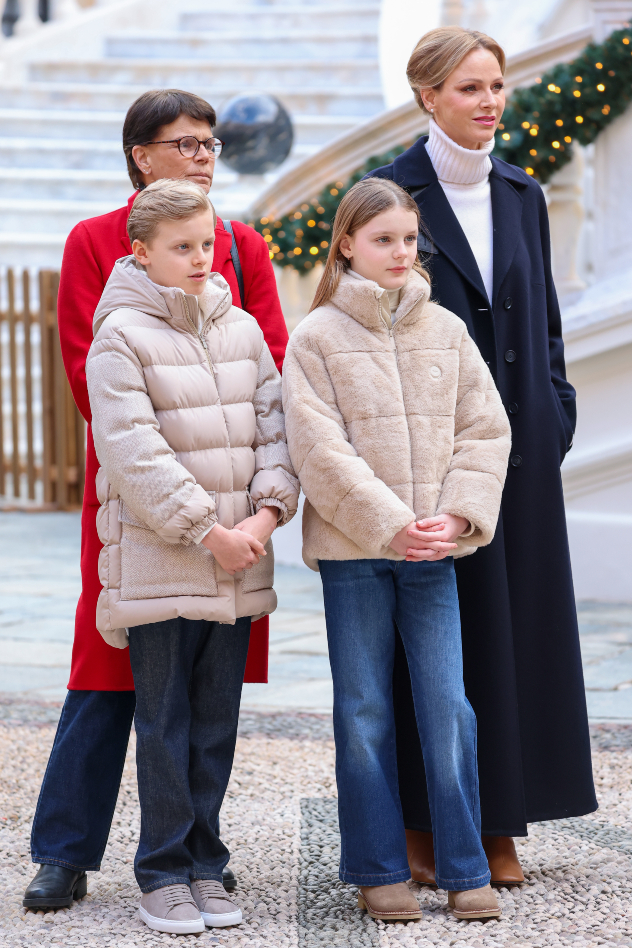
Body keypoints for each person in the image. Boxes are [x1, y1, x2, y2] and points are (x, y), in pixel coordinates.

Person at [24, 89, 289, 911]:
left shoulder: (241, 245)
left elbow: (270, 360)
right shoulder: (95, 241)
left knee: (207, 693)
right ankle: (66, 851)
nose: (205, 155)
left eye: (211, 143)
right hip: (139, 506)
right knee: (104, 673)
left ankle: (194, 850)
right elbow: (86, 370)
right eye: (185, 144)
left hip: (233, 506)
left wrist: (243, 506)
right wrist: (178, 499)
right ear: (141, 155)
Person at [366, 26, 597, 884]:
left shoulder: (522, 192)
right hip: (429, 451)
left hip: (524, 453)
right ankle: (427, 823)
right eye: (469, 88)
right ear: (428, 95)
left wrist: (555, 413)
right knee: (435, 640)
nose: (490, 101)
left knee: (520, 635)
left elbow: (545, 326)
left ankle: (503, 819)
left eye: (495, 85)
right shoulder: (390, 191)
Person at [282, 177, 511, 921]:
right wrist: (391, 523)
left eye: (409, 239)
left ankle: (463, 866)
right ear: (347, 243)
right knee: (365, 709)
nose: (399, 252)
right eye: (383, 239)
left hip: (433, 554)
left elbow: (486, 429)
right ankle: (377, 867)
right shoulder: (314, 337)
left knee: (449, 705)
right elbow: (319, 450)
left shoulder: (445, 328)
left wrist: (456, 515)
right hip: (355, 553)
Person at [85, 179, 298, 933]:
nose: (201, 258)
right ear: (141, 252)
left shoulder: (239, 327)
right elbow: (134, 454)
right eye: (182, 247)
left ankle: (208, 864)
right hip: (166, 562)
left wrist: (267, 516)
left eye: (207, 244)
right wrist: (212, 530)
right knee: (165, 720)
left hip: (241, 559)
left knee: (215, 720)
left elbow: (276, 428)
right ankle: (163, 873)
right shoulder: (119, 337)